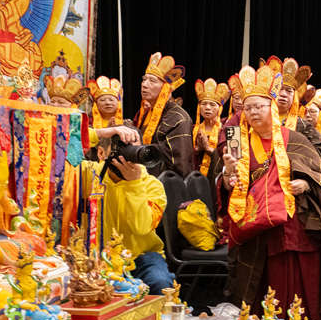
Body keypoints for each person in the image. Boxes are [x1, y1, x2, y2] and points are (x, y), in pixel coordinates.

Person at [218, 64, 321, 320]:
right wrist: (228, 175)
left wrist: (306, 184)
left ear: (271, 107)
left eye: (258, 106)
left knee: (294, 267)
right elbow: (230, 187)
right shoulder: (237, 142)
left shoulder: (293, 139)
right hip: (255, 226)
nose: (253, 112)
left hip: (290, 221)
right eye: (248, 108)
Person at [81, 132, 174, 294]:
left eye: (133, 147)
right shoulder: (89, 174)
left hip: (141, 257)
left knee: (160, 283)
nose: (128, 155)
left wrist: (134, 184)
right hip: (97, 258)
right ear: (101, 153)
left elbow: (141, 227)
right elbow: (59, 145)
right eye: (122, 147)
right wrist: (100, 133)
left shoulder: (153, 186)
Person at [134, 53, 194, 179]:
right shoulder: (146, 113)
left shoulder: (178, 118)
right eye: (144, 79)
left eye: (152, 81)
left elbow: (180, 164)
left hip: (166, 184)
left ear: (165, 88)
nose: (144, 84)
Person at [193, 78, 229, 176]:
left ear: (219, 108)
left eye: (212, 104)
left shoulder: (225, 130)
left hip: (216, 178)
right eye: (204, 104)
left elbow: (230, 160)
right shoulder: (193, 129)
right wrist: (197, 150)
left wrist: (208, 149)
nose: (207, 108)